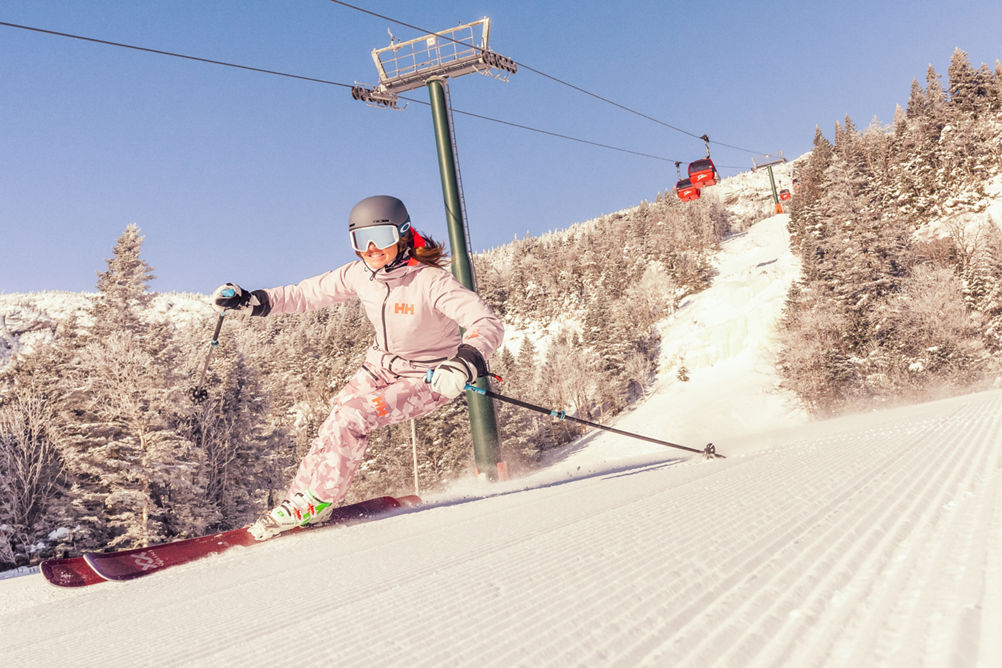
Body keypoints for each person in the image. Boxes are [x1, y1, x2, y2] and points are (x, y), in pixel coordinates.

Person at [212, 195, 504, 540]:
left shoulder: (430, 282)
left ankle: (318, 501)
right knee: (336, 417)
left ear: (403, 235)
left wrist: (464, 362)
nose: (370, 249)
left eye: (380, 239)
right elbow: (306, 294)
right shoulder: (360, 274)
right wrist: (251, 300)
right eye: (360, 240)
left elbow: (486, 322)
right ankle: (300, 501)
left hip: (428, 378)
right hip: (378, 366)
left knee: (355, 415)